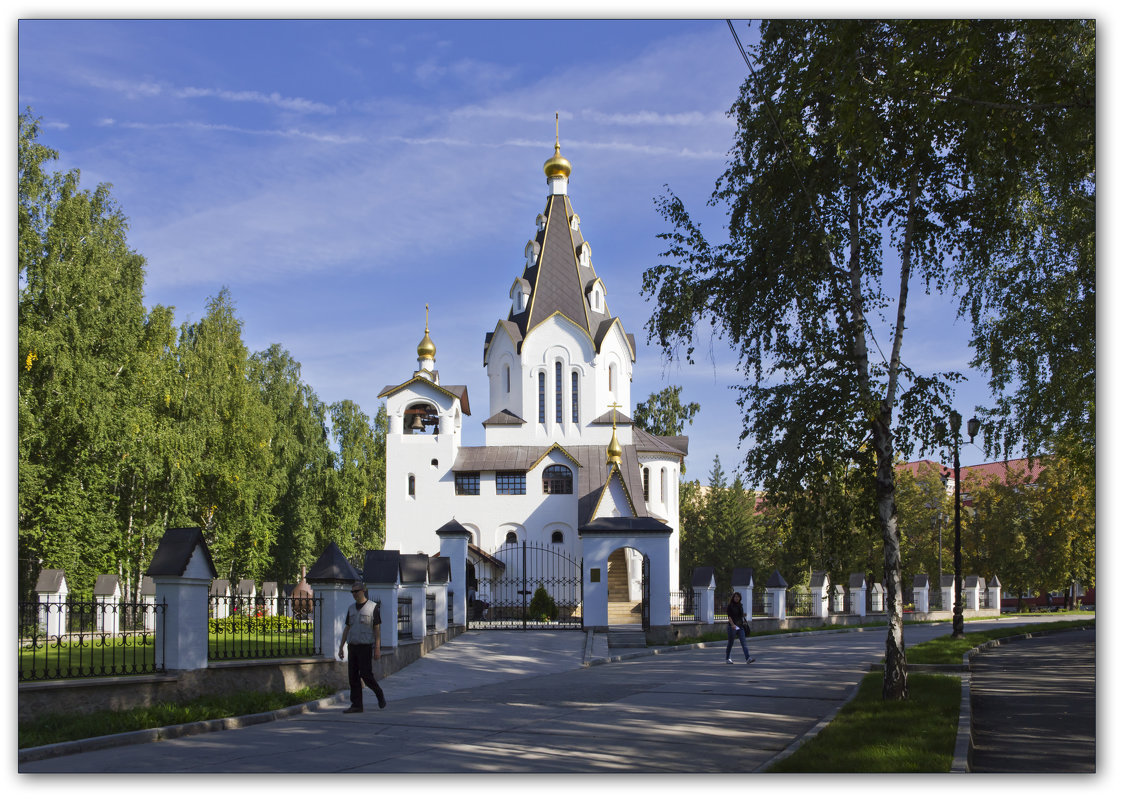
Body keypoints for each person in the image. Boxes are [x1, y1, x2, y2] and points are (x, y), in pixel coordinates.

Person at [338, 580, 387, 712]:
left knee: (366, 675)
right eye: (352, 592)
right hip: (352, 646)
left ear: (363, 591)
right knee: (353, 676)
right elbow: (347, 628)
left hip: (365, 647)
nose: (354, 594)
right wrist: (341, 646)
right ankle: (357, 705)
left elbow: (377, 629)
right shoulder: (351, 608)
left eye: (356, 591)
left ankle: (379, 693)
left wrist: (377, 648)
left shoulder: (373, 607)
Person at [725, 591, 755, 664]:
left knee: (743, 643)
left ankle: (748, 658)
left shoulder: (740, 605)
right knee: (730, 643)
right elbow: (729, 617)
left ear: (740, 598)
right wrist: (732, 625)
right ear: (733, 597)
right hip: (732, 627)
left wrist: (743, 616)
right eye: (735, 596)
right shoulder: (730, 606)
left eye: (738, 597)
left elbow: (739, 616)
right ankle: (728, 658)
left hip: (740, 626)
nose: (736, 598)